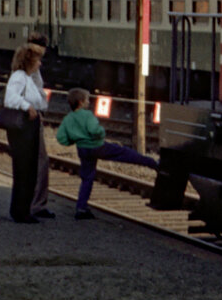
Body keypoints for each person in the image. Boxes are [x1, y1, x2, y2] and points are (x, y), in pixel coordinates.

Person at [56, 87, 159, 220]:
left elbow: (61, 137)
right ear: (81, 102)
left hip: (82, 149)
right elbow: (95, 130)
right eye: (87, 100)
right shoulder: (87, 115)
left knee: (87, 177)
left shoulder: (68, 118)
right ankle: (152, 163)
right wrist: (100, 134)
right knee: (124, 153)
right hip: (97, 146)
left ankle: (81, 208)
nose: (89, 102)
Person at [3, 43, 48, 223]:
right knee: (24, 169)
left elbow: (41, 101)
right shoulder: (19, 77)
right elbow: (10, 97)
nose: (40, 64)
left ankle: (23, 210)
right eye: (37, 60)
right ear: (28, 61)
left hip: (29, 125)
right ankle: (21, 212)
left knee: (28, 169)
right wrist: (27, 106)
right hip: (22, 127)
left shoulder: (28, 78)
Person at [26, 33, 54, 218]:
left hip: (33, 117)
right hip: (31, 119)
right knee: (40, 161)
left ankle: (33, 204)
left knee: (35, 162)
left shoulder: (27, 63)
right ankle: (36, 205)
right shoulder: (29, 65)